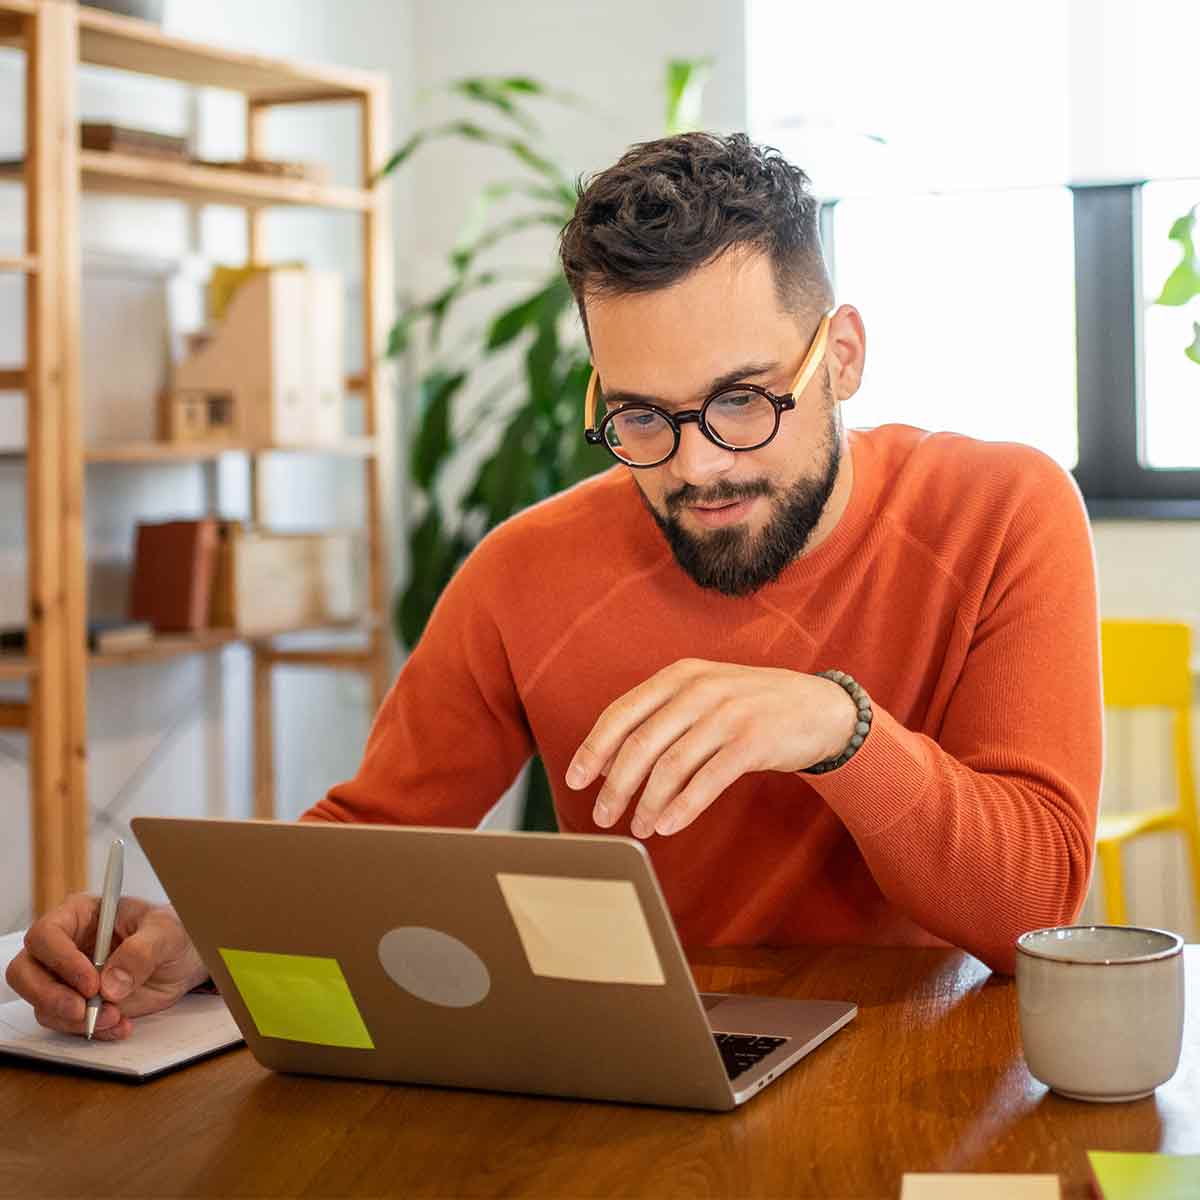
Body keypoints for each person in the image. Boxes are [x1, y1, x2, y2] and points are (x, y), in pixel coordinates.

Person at [7, 132, 1103, 1041]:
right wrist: (201, 935)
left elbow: (1034, 908)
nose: (697, 466)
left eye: (741, 401)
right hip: (655, 1061)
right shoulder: (526, 570)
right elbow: (385, 833)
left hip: (925, 1058)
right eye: (639, 416)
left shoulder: (1004, 508)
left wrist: (838, 725)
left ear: (844, 355)